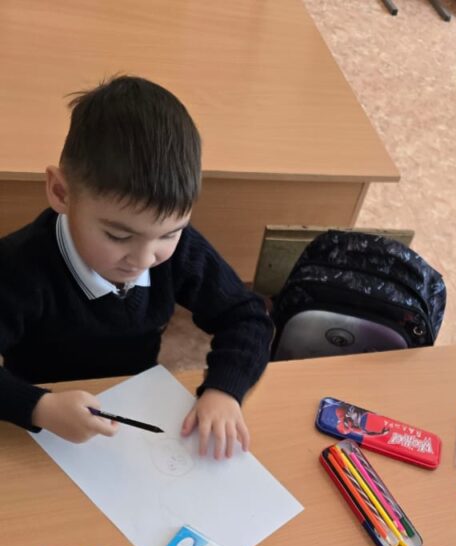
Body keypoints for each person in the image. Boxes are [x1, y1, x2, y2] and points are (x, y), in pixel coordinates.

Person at [0, 76, 274, 459]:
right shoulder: (18, 266)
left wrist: (224, 389)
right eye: (118, 236)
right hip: (44, 429)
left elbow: (247, 317)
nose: (145, 259)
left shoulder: (180, 249)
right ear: (62, 193)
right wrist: (38, 406)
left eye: (170, 233)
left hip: (134, 410)